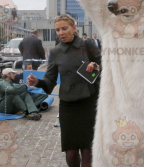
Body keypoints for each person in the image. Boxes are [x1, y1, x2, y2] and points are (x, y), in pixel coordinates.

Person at [27, 14, 101, 167]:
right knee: (71, 152)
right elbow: (50, 80)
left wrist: (95, 68)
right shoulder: (55, 52)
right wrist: (38, 82)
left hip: (89, 102)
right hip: (68, 105)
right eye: (57, 30)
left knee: (89, 151)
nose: (60, 33)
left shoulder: (87, 45)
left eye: (64, 28)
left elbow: (105, 67)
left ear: (74, 28)